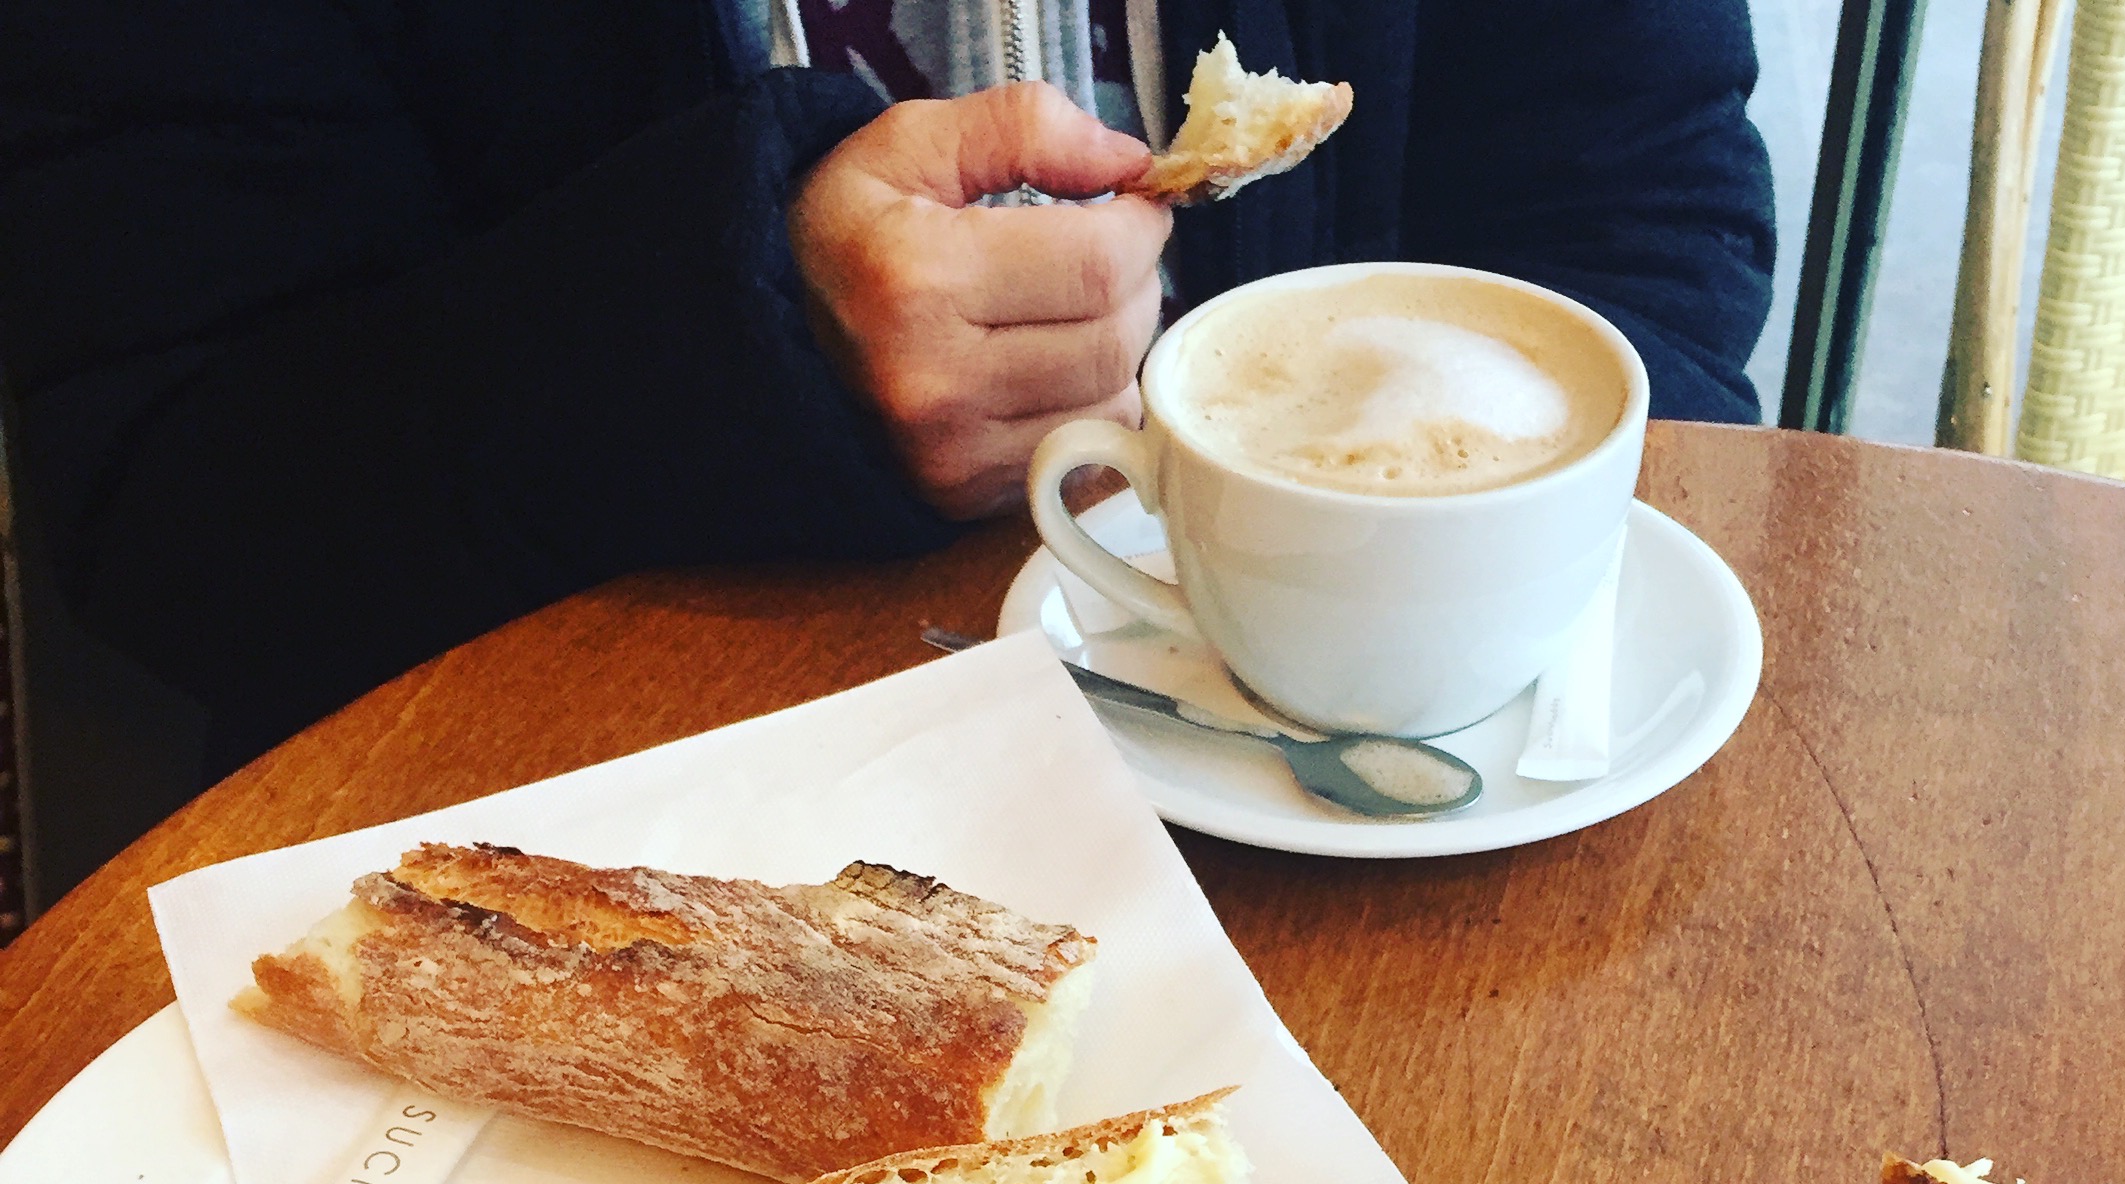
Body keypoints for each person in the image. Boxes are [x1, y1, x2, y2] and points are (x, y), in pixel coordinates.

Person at [0, 2, 1772, 812]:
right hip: (580, 848)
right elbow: (172, 489)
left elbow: (1642, 215)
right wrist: (735, 332)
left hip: (1383, 845)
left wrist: (1443, 595)